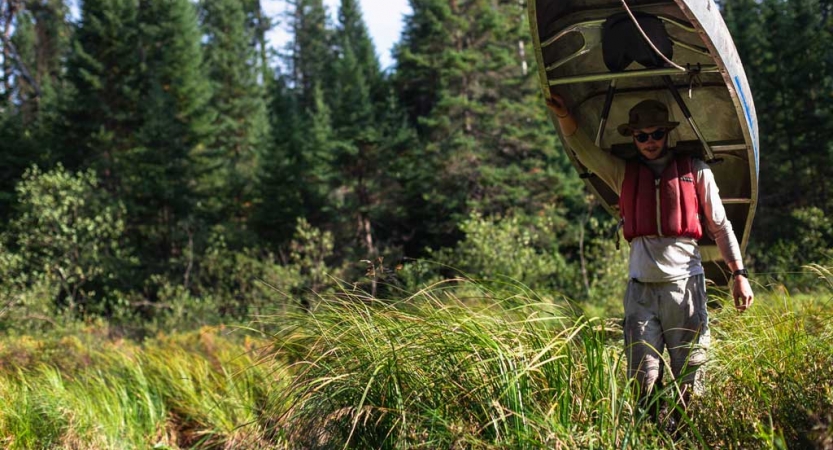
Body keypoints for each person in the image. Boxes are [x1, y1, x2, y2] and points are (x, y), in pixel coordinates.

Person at [546, 95, 754, 430]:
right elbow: (583, 149)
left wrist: (739, 274)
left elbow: (720, 226)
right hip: (640, 292)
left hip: (684, 287)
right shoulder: (622, 173)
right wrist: (564, 114)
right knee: (643, 377)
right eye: (641, 136)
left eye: (656, 134)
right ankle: (651, 435)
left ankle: (685, 435)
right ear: (633, 138)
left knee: (690, 374)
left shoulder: (695, 171)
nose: (650, 142)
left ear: (667, 134)